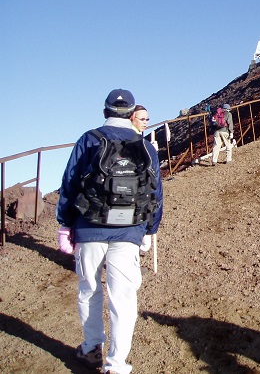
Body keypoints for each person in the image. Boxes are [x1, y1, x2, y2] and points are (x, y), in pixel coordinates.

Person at [56, 89, 163, 374]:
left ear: (104, 112)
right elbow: (156, 193)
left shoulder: (89, 139)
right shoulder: (144, 146)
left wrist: (65, 225)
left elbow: (70, 184)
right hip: (129, 231)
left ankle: (92, 348)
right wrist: (149, 230)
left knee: (89, 289)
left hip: (89, 228)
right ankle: (116, 364)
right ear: (131, 115)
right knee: (123, 298)